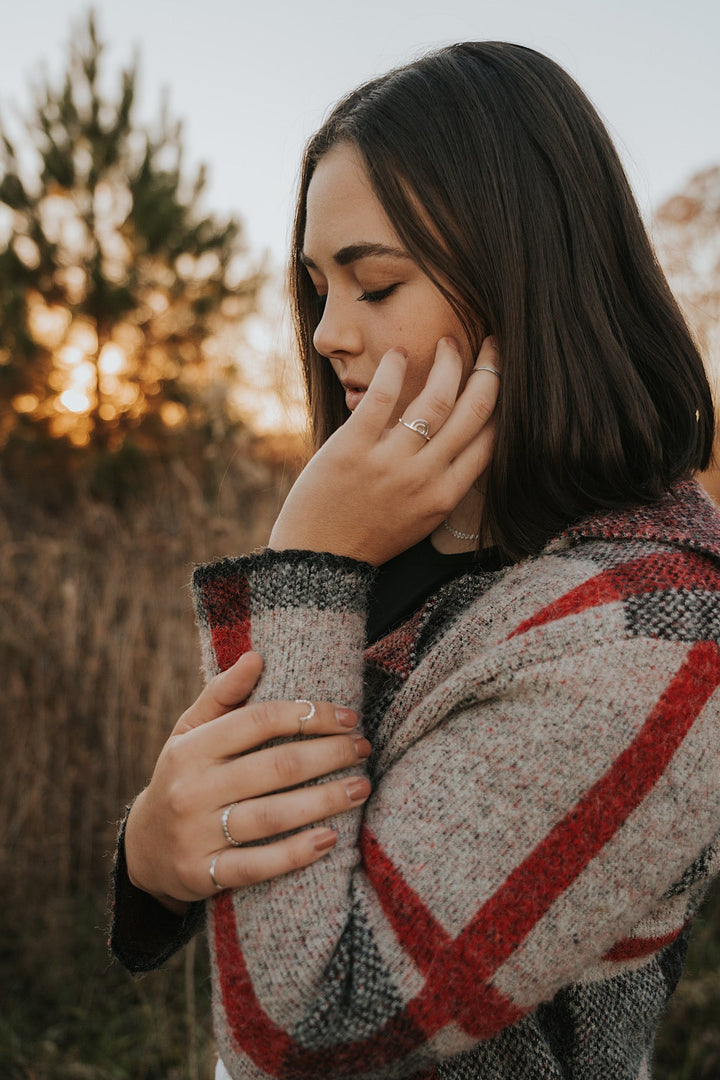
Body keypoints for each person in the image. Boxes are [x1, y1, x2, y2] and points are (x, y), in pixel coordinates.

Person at [110, 41, 720, 1080]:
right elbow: (261, 839)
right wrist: (152, 856)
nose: (327, 335)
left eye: (375, 284)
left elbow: (307, 1031)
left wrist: (307, 560)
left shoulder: (651, 635)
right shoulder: (420, 541)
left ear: (529, 276)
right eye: (316, 288)